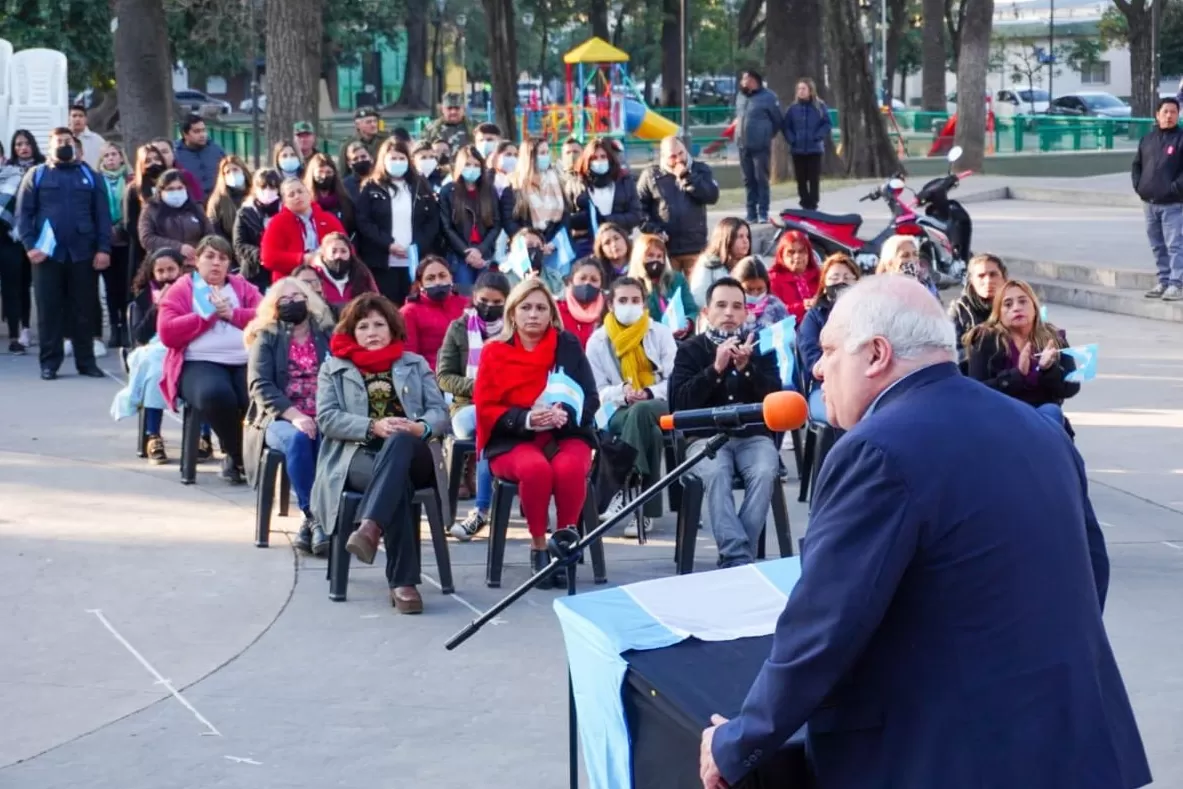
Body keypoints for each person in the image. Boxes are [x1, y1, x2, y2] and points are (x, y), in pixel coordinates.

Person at [699, 275, 1149, 789]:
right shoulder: (1040, 429)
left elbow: (824, 625)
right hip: (1076, 747)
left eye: (827, 350)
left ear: (875, 355)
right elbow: (1092, 572)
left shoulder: (877, 449)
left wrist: (738, 743)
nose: (818, 368)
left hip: (953, 759)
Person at [312, 293, 448, 614]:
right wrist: (373, 426)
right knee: (394, 482)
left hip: (414, 451)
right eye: (363, 326)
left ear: (392, 328)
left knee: (400, 443)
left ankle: (370, 527)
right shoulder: (334, 368)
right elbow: (327, 418)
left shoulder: (414, 363)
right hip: (357, 455)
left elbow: (440, 413)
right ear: (351, 332)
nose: (372, 332)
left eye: (379, 324)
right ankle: (403, 584)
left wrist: (417, 428)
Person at [473, 278, 598, 585]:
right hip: (512, 438)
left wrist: (562, 415)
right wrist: (528, 419)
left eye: (541, 308)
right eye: (526, 307)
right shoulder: (494, 352)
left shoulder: (566, 345)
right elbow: (486, 409)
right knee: (536, 470)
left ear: (551, 314)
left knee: (569, 468)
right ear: (512, 313)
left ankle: (564, 542)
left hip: (563, 433)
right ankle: (539, 545)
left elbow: (590, 397)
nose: (533, 314)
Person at [669, 277, 781, 567]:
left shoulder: (761, 347)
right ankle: (739, 558)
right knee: (717, 472)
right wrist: (715, 369)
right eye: (721, 305)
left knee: (766, 469)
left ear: (746, 313)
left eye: (736, 306)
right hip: (705, 439)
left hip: (753, 437)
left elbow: (776, 400)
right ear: (706, 312)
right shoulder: (690, 349)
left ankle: (735, 556)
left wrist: (747, 371)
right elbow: (679, 404)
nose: (729, 313)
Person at [157, 236, 261, 483]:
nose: (216, 263)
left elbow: (265, 315)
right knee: (216, 393)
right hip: (198, 361)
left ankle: (248, 457)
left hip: (243, 359)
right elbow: (167, 332)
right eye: (210, 257)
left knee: (255, 397)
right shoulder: (183, 288)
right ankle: (239, 456)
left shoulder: (242, 287)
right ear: (197, 260)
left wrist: (233, 314)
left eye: (222, 258)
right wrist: (208, 315)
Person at [244, 276, 334, 555]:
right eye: (284, 300)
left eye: (298, 298)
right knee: (300, 438)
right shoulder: (267, 336)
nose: (292, 303)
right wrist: (294, 415)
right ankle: (314, 517)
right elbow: (260, 385)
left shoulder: (326, 333)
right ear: (273, 306)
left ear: (310, 301)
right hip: (280, 417)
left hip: (325, 412)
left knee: (325, 437)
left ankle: (319, 522)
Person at [17, 127, 112, 380]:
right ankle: (49, 364)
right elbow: (23, 215)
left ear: (75, 145)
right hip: (47, 255)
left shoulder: (91, 176)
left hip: (83, 253)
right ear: (49, 147)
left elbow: (102, 216)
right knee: (49, 311)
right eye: (58, 142)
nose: (63, 145)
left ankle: (86, 362)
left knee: (84, 309)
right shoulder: (36, 175)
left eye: (67, 141)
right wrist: (30, 246)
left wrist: (103, 248)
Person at [586, 276, 676, 533]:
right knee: (653, 434)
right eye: (623, 300)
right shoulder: (598, 341)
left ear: (644, 304)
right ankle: (644, 509)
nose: (629, 305)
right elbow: (596, 391)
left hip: (658, 403)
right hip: (614, 409)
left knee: (642, 411)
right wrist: (622, 393)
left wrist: (648, 392)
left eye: (635, 300)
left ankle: (622, 488)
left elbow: (675, 381)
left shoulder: (659, 333)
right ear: (611, 305)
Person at [436, 270, 510, 540]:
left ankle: (483, 511)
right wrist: (481, 389)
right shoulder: (459, 328)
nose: (489, 307)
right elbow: (444, 377)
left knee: (495, 425)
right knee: (486, 421)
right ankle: (482, 510)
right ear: (474, 298)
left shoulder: (513, 329)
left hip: (509, 403)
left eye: (497, 302)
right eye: (484, 301)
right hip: (468, 407)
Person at [966, 279, 1080, 427]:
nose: (1016, 308)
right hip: (1001, 415)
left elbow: (1071, 388)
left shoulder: (1053, 337)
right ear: (998, 312)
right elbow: (976, 391)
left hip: (1042, 416)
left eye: (1023, 302)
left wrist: (1049, 369)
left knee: (1051, 411)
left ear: (1034, 307)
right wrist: (1017, 375)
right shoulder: (985, 339)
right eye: (1008, 304)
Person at [354, 138, 442, 305]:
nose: (398, 162)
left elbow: (432, 220)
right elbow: (364, 221)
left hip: (415, 260)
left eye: (402, 158)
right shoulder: (371, 187)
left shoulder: (420, 185)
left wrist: (417, 246)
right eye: (393, 158)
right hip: (383, 262)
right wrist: (388, 244)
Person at [126, 248, 185, 463]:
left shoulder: (191, 292)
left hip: (184, 346)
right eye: (160, 271)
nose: (166, 275)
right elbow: (139, 335)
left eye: (171, 269)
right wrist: (157, 307)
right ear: (152, 273)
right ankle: (153, 435)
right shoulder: (143, 298)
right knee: (156, 372)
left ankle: (202, 435)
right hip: (153, 348)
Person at [637, 136, 720, 274]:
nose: (679, 159)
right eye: (673, 156)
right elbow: (638, 209)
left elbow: (711, 196)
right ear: (663, 157)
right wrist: (654, 230)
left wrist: (687, 177)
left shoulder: (700, 169)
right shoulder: (651, 175)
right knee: (668, 289)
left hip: (695, 246)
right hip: (665, 248)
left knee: (695, 290)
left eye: (681, 153)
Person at [1132, 96, 1183, 301]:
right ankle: (1163, 280)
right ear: (1157, 114)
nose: (1169, 116)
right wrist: (1139, 186)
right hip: (1149, 203)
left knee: (1175, 245)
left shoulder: (1180, 139)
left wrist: (1174, 189)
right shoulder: (1147, 139)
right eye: (1165, 112)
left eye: (1173, 112)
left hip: (1173, 204)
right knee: (1157, 244)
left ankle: (1177, 283)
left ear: (1178, 115)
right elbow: (1137, 165)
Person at [797, 252, 859, 422]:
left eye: (847, 277)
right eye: (835, 277)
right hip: (826, 386)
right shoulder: (813, 317)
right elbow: (813, 361)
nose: (841, 282)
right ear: (824, 285)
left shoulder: (868, 314)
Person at [565, 138, 643, 258]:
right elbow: (567, 218)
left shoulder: (625, 182)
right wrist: (586, 220)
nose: (599, 161)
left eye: (603, 156)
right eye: (594, 158)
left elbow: (636, 215)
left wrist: (605, 220)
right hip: (586, 248)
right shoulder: (575, 184)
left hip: (619, 245)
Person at [439, 145, 501, 290]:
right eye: (467, 164)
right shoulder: (448, 191)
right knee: (464, 297)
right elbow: (446, 227)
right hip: (459, 256)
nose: (472, 168)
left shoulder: (489, 190)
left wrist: (480, 250)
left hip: (484, 255)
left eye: (476, 165)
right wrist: (466, 252)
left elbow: (496, 224)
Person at [260, 178, 346, 282]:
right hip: (290, 281)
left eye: (300, 191)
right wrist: (303, 259)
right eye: (291, 195)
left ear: (309, 194)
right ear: (284, 202)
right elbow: (268, 257)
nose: (297, 196)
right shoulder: (277, 223)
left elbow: (348, 248)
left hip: (328, 279)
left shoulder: (328, 218)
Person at [505, 137, 571, 263]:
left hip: (554, 247)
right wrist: (533, 242)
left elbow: (565, 217)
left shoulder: (557, 182)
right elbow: (510, 222)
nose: (546, 157)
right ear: (529, 157)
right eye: (541, 153)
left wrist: (553, 243)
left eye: (547, 152)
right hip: (526, 249)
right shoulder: (514, 186)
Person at [400, 255, 468, 372]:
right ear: (420, 284)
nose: (438, 282)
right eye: (430, 278)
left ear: (451, 278)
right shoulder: (409, 312)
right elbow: (409, 356)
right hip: (430, 378)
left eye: (442, 276)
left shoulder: (467, 305)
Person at [734, 70, 783, 224]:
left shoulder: (769, 97)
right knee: (748, 180)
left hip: (760, 146)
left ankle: (763, 212)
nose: (743, 81)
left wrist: (766, 135)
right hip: (743, 145)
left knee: (761, 179)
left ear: (754, 80)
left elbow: (777, 120)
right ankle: (751, 213)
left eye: (746, 79)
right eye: (742, 79)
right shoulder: (741, 96)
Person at [138, 169, 216, 265]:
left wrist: (200, 252)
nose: (176, 192)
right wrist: (179, 248)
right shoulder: (151, 209)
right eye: (170, 189)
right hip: (164, 264)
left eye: (180, 188)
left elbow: (210, 234)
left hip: (196, 262)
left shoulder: (196, 207)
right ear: (160, 191)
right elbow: (147, 238)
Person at [96, 142, 132, 348]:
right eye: (106, 155)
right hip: (105, 239)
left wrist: (122, 226)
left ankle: (126, 326)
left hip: (125, 240)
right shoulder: (97, 180)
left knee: (125, 286)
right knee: (110, 288)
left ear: (121, 157)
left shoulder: (129, 179)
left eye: (114, 154)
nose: (110, 158)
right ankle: (114, 327)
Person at [630, 233, 695, 338]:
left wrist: (688, 323)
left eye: (659, 256)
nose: (655, 260)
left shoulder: (677, 279)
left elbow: (691, 309)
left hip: (681, 338)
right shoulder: (631, 285)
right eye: (650, 255)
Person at [948, 252, 1007, 369]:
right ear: (971, 280)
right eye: (981, 276)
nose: (988, 280)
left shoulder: (1014, 306)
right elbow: (950, 353)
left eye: (993, 274)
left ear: (1004, 278)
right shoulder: (959, 310)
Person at [0, 143, 32, 353]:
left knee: (13, 289)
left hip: (8, 239)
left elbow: (17, 208)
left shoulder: (16, 177)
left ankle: (14, 335)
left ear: (2, 158)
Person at [783, 77, 832, 212]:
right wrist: (792, 139)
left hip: (814, 149)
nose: (801, 91)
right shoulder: (793, 108)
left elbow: (827, 124)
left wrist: (818, 136)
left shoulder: (819, 106)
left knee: (813, 177)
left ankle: (813, 203)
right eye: (799, 89)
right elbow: (786, 126)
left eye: (804, 89)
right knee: (801, 178)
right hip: (797, 149)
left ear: (810, 91)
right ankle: (804, 202)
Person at [232, 168, 283, 292]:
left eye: (272, 188)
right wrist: (261, 255)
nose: (267, 192)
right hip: (253, 272)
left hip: (280, 271)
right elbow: (239, 244)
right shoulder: (245, 213)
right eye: (263, 187)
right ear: (255, 189)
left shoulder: (285, 212)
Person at [690, 217, 751, 308]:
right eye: (740, 236)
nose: (746, 241)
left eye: (747, 236)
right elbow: (699, 299)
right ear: (726, 239)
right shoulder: (708, 265)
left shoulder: (751, 264)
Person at [310, 232, 377, 315]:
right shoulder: (313, 275)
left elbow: (375, 301)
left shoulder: (362, 273)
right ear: (324, 254)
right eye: (333, 251)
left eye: (343, 251)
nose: (339, 256)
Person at [124, 144, 167, 273]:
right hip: (143, 250)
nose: (154, 163)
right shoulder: (133, 189)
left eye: (156, 159)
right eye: (148, 161)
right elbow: (129, 223)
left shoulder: (172, 185)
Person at [768, 229, 820, 324]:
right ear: (781, 255)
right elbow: (774, 312)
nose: (797, 256)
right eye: (791, 252)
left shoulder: (819, 276)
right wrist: (803, 306)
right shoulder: (773, 280)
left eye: (802, 251)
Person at [557, 256, 605, 349]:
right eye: (582, 278)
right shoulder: (556, 309)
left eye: (594, 280)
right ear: (571, 281)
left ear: (601, 285)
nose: (587, 283)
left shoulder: (608, 310)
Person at [173, 115, 225, 197]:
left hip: (218, 199)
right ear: (185, 134)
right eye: (197, 131)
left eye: (204, 130)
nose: (202, 135)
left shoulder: (216, 150)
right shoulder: (175, 153)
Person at [303, 153, 355, 235]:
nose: (324, 176)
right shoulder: (304, 202)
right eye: (320, 172)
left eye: (328, 172)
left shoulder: (345, 202)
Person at [734, 255, 790, 331]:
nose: (754, 294)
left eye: (760, 289)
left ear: (767, 285)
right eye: (748, 290)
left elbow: (787, 334)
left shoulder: (776, 307)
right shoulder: (730, 308)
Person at [205, 155, 252, 242]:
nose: (232, 174)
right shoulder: (218, 199)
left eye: (235, 170)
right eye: (227, 172)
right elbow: (214, 228)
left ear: (243, 171)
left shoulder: (255, 193)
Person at [337, 106, 390, 175]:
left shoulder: (386, 140)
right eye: (368, 122)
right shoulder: (348, 144)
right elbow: (343, 171)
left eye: (375, 121)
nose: (373, 125)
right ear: (358, 125)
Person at [150, 137, 204, 202]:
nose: (161, 156)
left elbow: (198, 201)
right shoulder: (144, 178)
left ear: (173, 153)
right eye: (157, 153)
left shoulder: (186, 176)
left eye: (164, 152)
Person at [68, 104, 106, 169]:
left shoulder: (97, 140)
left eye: (81, 116)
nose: (77, 119)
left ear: (86, 119)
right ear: (69, 119)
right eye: (74, 116)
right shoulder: (63, 139)